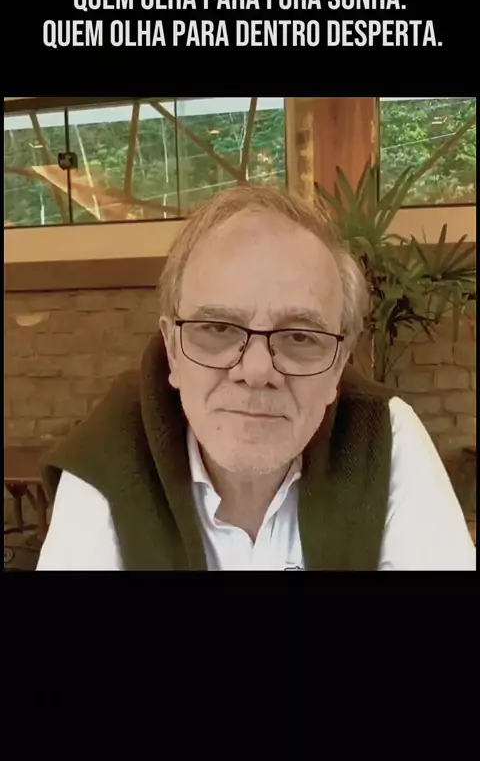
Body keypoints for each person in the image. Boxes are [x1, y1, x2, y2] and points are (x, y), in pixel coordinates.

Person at [36, 184, 476, 571]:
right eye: (218, 329)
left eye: (299, 336)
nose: (257, 371)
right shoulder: (111, 451)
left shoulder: (384, 436)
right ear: (172, 351)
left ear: (338, 366)